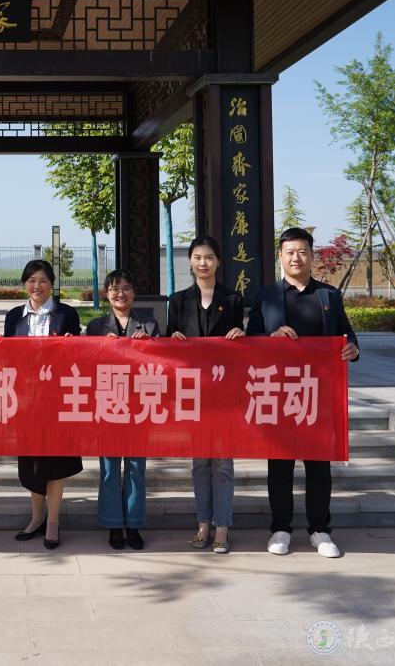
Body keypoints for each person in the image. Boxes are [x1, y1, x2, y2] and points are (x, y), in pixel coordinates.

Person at [247, 227, 360, 559]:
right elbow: (250, 341)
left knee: (318, 465)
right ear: (280, 257)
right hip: (278, 392)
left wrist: (353, 349)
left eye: (302, 251)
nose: (296, 258)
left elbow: (347, 336)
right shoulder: (266, 296)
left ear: (312, 255)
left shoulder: (328, 296)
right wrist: (270, 338)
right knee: (280, 465)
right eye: (290, 252)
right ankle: (280, 529)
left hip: (318, 393)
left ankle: (320, 531)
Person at [166, 236, 246, 554]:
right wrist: (172, 339)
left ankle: (222, 528)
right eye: (198, 257)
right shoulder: (178, 300)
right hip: (193, 393)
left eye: (209, 257)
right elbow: (167, 345)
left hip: (224, 393)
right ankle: (202, 525)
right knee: (200, 462)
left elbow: (244, 347)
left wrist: (241, 335)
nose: (203, 263)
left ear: (218, 262)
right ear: (190, 261)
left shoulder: (233, 299)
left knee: (223, 463)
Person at [4, 259, 83, 550]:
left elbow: (78, 354)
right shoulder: (14, 316)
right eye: (31, 281)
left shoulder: (66, 314)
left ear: (52, 284)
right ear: (24, 284)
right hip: (26, 400)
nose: (37, 286)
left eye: (43, 281)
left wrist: (71, 344)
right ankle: (36, 517)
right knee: (32, 463)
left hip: (58, 399)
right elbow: (7, 356)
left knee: (55, 461)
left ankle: (53, 521)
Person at [85, 269, 158, 550]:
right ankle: (114, 523)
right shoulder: (95, 327)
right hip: (108, 405)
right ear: (106, 294)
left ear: (134, 293)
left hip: (139, 405)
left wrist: (147, 347)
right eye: (114, 289)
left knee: (136, 467)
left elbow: (161, 365)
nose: (120, 293)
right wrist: (103, 348)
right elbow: (86, 365)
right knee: (109, 468)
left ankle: (135, 524)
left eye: (126, 288)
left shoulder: (149, 325)